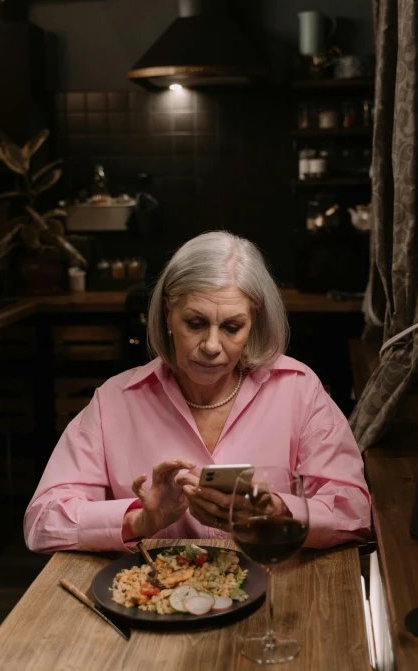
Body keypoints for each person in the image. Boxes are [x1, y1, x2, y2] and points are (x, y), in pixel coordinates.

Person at [24, 231, 372, 553]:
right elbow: (43, 522)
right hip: (157, 603)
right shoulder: (115, 401)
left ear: (254, 321)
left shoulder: (298, 390)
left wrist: (278, 511)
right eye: (195, 323)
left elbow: (354, 514)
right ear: (167, 313)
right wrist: (140, 520)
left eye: (232, 327)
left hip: (275, 595)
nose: (211, 346)